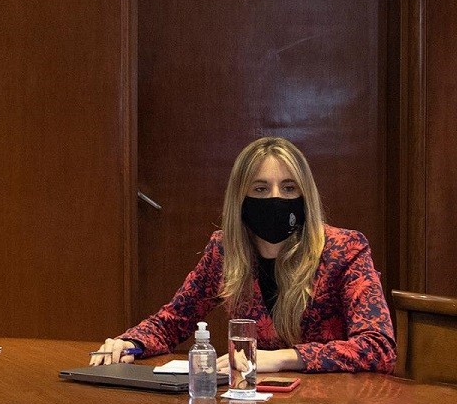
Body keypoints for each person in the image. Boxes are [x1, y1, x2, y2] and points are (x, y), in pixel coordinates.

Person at [91, 136, 396, 373]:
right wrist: (130, 342)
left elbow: (378, 346)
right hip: (252, 403)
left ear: (305, 195)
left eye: (289, 188)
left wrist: (283, 359)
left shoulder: (345, 249)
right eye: (260, 189)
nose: (276, 198)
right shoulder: (224, 250)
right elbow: (173, 321)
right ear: (241, 198)